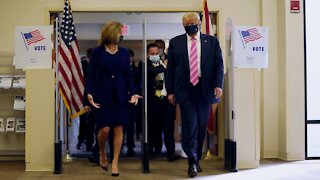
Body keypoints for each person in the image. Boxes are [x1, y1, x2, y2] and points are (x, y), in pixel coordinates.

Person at [165, 12, 224, 178]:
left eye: (192, 22)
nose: (190, 25)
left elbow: (219, 65)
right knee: (190, 125)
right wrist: (170, 91)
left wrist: (218, 85)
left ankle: (196, 157)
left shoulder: (211, 41)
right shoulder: (176, 42)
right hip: (185, 90)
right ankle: (191, 160)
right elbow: (170, 70)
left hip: (204, 90)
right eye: (186, 23)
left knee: (201, 127)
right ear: (183, 25)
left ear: (199, 23)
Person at [86, 21, 142, 176]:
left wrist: (133, 92)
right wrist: (89, 93)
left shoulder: (124, 52)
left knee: (119, 128)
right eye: (119, 32)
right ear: (111, 33)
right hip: (102, 94)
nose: (121, 35)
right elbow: (91, 75)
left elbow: (128, 76)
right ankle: (102, 152)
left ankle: (115, 162)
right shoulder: (97, 52)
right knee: (104, 129)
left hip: (121, 95)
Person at [146, 43, 179, 162]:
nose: (155, 55)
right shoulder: (145, 66)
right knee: (152, 130)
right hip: (153, 102)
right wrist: (164, 66)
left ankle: (171, 153)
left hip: (166, 102)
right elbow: (153, 73)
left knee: (168, 129)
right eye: (152, 54)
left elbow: (172, 78)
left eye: (157, 53)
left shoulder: (165, 65)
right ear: (147, 54)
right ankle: (150, 154)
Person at [77, 48, 95, 152]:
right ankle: (80, 141)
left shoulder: (97, 66)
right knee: (84, 122)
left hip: (94, 98)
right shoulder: (82, 65)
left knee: (92, 123)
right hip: (83, 98)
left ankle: (89, 144)